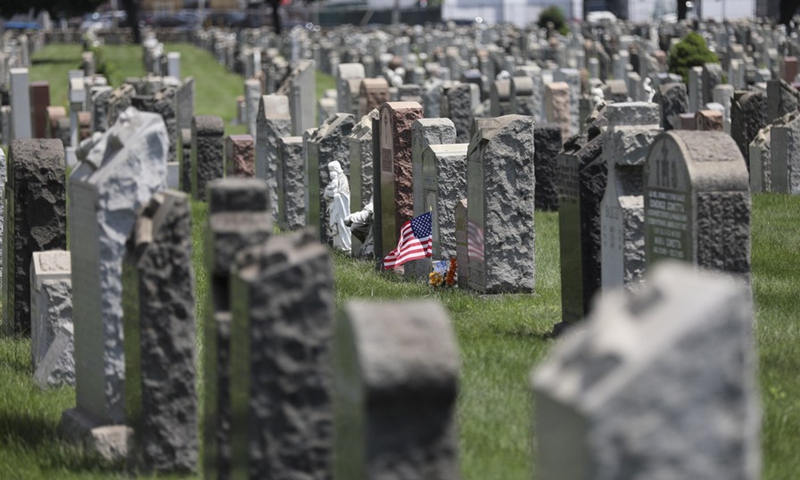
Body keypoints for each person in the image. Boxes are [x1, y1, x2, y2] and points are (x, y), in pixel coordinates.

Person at [324, 160, 351, 253]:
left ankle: (345, 247)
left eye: (331, 170)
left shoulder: (343, 178)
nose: (331, 173)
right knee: (336, 226)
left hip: (341, 207)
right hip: (335, 206)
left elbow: (343, 194)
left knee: (342, 225)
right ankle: (337, 246)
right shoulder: (334, 180)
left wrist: (334, 195)